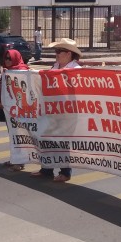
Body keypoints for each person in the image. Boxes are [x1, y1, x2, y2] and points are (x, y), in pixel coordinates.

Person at [31, 38, 81, 182]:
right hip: (51, 111)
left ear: (69, 54)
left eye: (59, 51)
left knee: (63, 143)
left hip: (67, 113)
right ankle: (46, 169)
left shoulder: (77, 70)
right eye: (56, 51)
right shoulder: (55, 67)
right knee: (47, 139)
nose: (56, 54)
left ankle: (65, 172)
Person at [1, 49, 29, 171]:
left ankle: (21, 161)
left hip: (21, 109)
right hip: (9, 109)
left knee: (20, 135)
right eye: (6, 58)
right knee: (12, 134)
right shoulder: (7, 71)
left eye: (9, 58)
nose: (7, 60)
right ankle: (14, 158)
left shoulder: (23, 70)